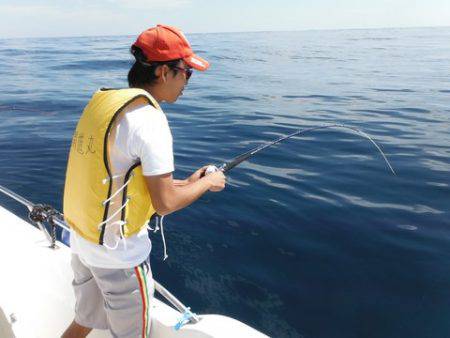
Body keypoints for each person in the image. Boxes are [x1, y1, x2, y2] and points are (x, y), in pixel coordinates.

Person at [61, 24, 226, 338]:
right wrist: (208, 183)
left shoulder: (108, 104)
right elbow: (163, 204)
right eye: (187, 73)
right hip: (119, 257)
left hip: (84, 244)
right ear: (164, 72)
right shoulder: (150, 120)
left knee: (83, 322)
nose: (188, 82)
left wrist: (189, 181)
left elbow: (119, 183)